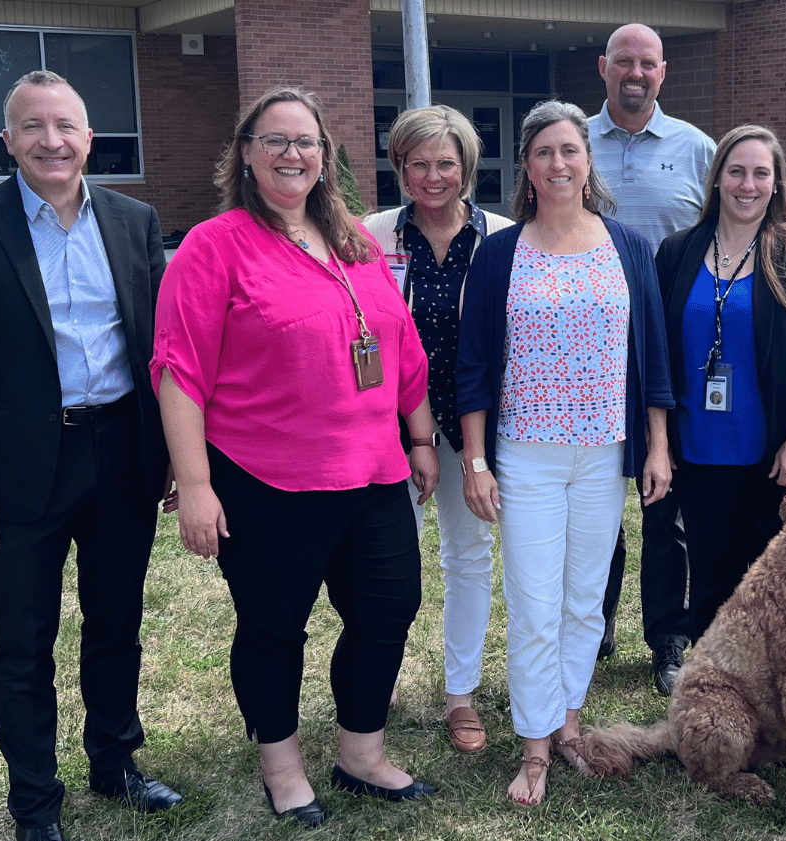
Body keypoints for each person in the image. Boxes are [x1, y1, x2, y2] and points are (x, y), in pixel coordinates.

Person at [153, 86, 440, 828]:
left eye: (306, 141)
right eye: (275, 140)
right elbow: (179, 368)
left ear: (326, 156)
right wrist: (194, 483)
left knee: (388, 609)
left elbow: (400, 344)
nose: (292, 154)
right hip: (265, 478)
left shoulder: (353, 240)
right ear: (245, 155)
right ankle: (283, 768)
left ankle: (361, 753)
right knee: (274, 626)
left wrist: (418, 436)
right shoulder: (215, 245)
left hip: (375, 471)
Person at [0, 70, 183, 841]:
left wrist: (171, 455)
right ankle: (35, 800)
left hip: (121, 452)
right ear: (9, 141)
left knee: (116, 622)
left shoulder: (134, 221)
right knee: (24, 643)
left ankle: (116, 760)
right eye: (34, 127)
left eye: (66, 125)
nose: (52, 141)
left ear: (90, 138)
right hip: (21, 467)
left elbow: (160, 351)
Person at [457, 100, 674, 805]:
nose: (558, 163)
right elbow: (473, 366)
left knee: (585, 602)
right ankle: (534, 746)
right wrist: (477, 459)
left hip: (604, 455)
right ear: (526, 164)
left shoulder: (628, 247)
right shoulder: (499, 253)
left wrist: (657, 446)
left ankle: (571, 725)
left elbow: (655, 358)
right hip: (526, 456)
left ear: (588, 161)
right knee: (532, 603)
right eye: (544, 151)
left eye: (570, 151)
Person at [362, 105, 513, 756]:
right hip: (393, 425)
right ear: (399, 166)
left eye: (445, 163)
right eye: (418, 163)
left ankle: (460, 695)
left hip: (478, 423)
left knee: (468, 557)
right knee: (383, 561)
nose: (432, 176)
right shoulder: (369, 235)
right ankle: (377, 680)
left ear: (467, 167)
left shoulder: (504, 237)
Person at [656, 125, 786, 640]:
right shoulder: (678, 252)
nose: (748, 184)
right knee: (712, 584)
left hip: (772, 456)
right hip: (696, 451)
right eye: (736, 171)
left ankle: (772, 702)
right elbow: (658, 355)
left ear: (777, 185)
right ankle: (719, 697)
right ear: (717, 179)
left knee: (774, 587)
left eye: (762, 173)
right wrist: (659, 439)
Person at [587, 21, 717, 695]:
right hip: (586, 351)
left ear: (663, 73)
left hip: (673, 349)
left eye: (648, 63)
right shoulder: (571, 142)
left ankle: (669, 633)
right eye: (624, 62)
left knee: (666, 500)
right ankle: (595, 621)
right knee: (597, 491)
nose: (635, 73)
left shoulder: (698, 150)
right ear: (603, 67)